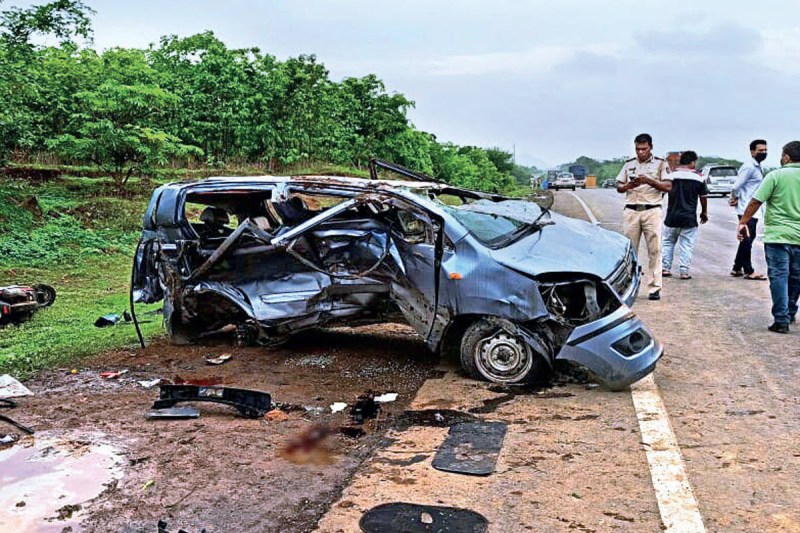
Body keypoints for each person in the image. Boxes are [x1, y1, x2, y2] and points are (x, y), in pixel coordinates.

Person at [736, 141, 800, 334]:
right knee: (796, 276)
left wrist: (743, 222)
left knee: (779, 276)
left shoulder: (775, 175)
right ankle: (789, 312)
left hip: (778, 236)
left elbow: (756, 201)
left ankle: (781, 320)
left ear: (787, 157)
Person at [616, 133, 673, 300]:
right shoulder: (629, 164)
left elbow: (668, 186)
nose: (641, 152)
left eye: (644, 149)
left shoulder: (661, 164)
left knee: (654, 249)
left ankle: (654, 287)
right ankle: (627, 286)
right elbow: (619, 186)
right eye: (638, 149)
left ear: (651, 148)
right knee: (629, 251)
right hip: (632, 211)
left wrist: (649, 181)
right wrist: (629, 185)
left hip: (652, 210)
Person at [661, 151, 708, 279]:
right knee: (686, 244)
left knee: (668, 242)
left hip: (671, 216)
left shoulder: (671, 176)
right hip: (689, 218)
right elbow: (703, 197)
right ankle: (684, 271)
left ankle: (665, 268)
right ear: (692, 162)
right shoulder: (700, 177)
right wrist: (704, 212)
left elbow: (662, 192)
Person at [729, 139, 768, 280]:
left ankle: (736, 268)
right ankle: (749, 271)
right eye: (760, 150)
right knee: (747, 240)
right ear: (752, 152)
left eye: (765, 150)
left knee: (747, 239)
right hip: (746, 209)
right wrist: (734, 198)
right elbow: (736, 186)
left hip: (753, 209)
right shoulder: (749, 167)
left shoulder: (758, 167)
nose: (764, 153)